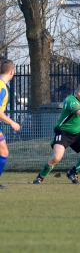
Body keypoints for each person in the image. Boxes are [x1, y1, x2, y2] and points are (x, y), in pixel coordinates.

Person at [0, 60, 21, 189]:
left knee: (4, 152)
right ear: (12, 72)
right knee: (4, 152)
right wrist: (12, 122)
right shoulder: (2, 87)